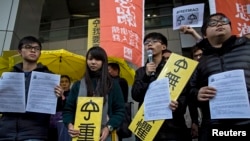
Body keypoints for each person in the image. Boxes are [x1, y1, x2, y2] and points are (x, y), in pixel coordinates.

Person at [189, 13, 250, 141]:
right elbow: (190, 89)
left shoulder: (247, 47)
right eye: (212, 23)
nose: (219, 23)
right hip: (214, 128)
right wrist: (197, 94)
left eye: (224, 21)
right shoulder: (201, 61)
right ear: (205, 34)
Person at [0, 36, 64, 141]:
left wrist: (58, 96)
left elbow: (56, 108)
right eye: (28, 47)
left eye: (37, 48)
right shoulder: (9, 76)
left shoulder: (48, 77)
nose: (33, 50)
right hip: (6, 133)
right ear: (20, 51)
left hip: (34, 134)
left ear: (40, 53)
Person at [131, 32, 188, 141]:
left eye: (154, 41)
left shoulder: (175, 69)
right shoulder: (141, 72)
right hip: (148, 125)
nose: (150, 44)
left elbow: (184, 94)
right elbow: (136, 95)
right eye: (147, 43)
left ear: (164, 47)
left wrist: (178, 104)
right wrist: (146, 76)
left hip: (172, 126)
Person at [63, 46, 125, 141]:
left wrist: (109, 127)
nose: (93, 62)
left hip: (104, 136)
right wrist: (70, 125)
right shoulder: (78, 85)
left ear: (103, 62)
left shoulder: (112, 85)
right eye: (90, 59)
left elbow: (120, 111)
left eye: (97, 59)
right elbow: (68, 110)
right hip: (81, 134)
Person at [48, 75, 72, 141]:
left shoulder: (72, 95)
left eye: (66, 81)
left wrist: (63, 98)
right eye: (62, 82)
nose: (64, 83)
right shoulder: (53, 94)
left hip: (65, 125)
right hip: (52, 124)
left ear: (69, 83)